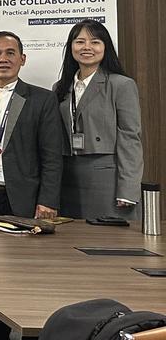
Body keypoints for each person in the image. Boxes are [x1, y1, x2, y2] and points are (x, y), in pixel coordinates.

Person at [0, 31, 63, 220]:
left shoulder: (43, 99)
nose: (3, 59)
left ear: (22, 59)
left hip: (23, 199)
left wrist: (48, 200)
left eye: (10, 53)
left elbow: (52, 156)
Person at [51, 20, 143, 221]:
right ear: (71, 47)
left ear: (105, 47)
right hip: (67, 177)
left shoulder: (121, 85)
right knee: (70, 237)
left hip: (106, 179)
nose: (87, 47)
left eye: (95, 42)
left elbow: (130, 138)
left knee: (108, 237)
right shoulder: (60, 87)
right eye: (80, 42)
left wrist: (128, 189)